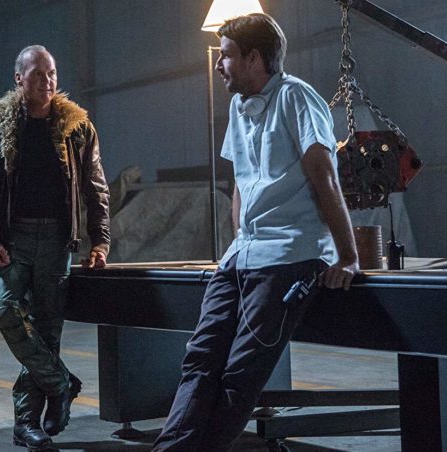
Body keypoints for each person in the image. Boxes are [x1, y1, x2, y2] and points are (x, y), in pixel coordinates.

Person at [152, 13, 359, 451]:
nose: (218, 64)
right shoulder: (238, 106)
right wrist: (238, 244)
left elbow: (324, 177)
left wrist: (348, 256)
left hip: (288, 257)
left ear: (253, 58)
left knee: (240, 375)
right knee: (199, 361)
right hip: (241, 258)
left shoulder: (297, 97)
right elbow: (240, 185)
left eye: (226, 55)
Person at [0, 45, 110, 450]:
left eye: (52, 73)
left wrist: (100, 240)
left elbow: (96, 188)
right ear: (19, 79)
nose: (47, 81)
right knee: (5, 311)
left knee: (47, 329)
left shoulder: (78, 128)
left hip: (58, 241)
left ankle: (27, 424)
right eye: (38, 74)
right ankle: (60, 382)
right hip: (13, 240)